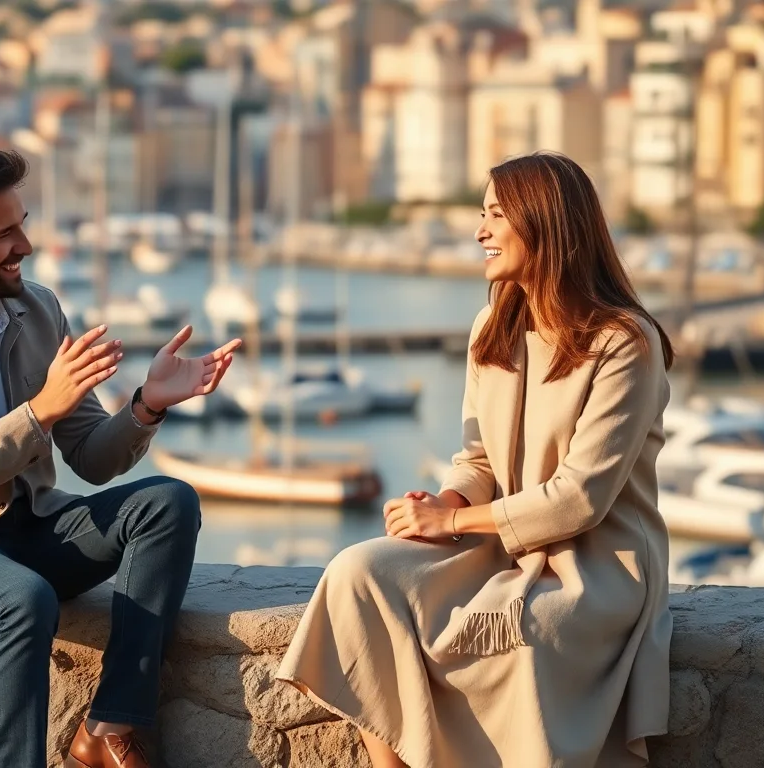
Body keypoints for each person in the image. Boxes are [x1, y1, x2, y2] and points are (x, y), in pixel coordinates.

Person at [0, 143, 242, 768]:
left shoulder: (38, 308)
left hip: (29, 524)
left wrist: (145, 406)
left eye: (22, 224)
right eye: (5, 234)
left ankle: (113, 726)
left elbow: (89, 457)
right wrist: (40, 410)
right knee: (22, 599)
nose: (25, 246)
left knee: (168, 503)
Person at [276, 151, 675, 768]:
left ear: (544, 223)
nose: (479, 231)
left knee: (527, 634)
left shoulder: (625, 343)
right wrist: (446, 502)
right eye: (481, 214)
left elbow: (580, 499)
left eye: (495, 215)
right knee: (359, 572)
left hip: (597, 565)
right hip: (501, 542)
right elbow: (479, 457)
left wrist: (454, 525)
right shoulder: (492, 326)